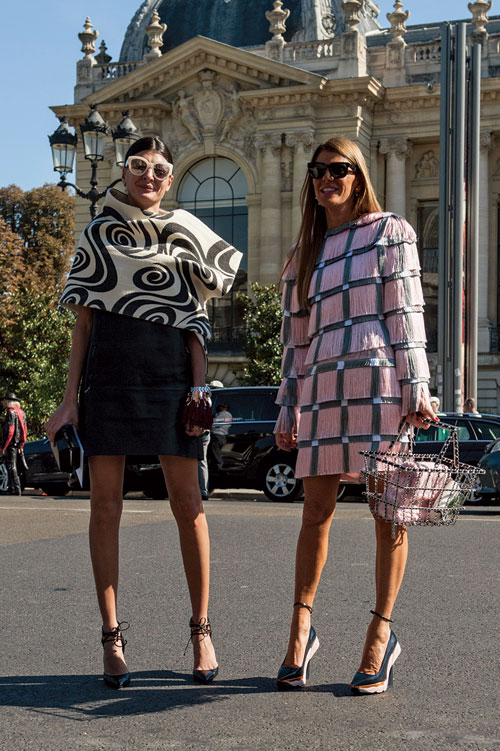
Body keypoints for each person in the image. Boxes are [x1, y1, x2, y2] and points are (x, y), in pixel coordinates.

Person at [46, 136, 242, 689]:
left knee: (189, 504)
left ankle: (202, 630)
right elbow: (84, 323)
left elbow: (196, 323)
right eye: (138, 166)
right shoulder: (97, 233)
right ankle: (111, 637)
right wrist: (68, 398)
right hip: (108, 382)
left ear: (170, 178)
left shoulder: (186, 232)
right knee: (104, 507)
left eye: (158, 169)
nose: (148, 176)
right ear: (124, 170)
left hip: (170, 382)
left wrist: (199, 389)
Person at [274, 137, 438, 694]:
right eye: (318, 171)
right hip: (322, 388)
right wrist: (287, 406)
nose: (327, 178)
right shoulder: (303, 253)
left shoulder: (391, 231)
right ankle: (301, 629)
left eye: (338, 169)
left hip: (379, 386)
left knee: (388, 512)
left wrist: (417, 389)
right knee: (314, 512)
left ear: (358, 176)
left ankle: (380, 634)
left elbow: (406, 313)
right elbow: (295, 342)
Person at [1, 392, 27, 496]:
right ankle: (14, 488)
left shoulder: (10, 413)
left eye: (4, 400)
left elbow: (10, 431)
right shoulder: (21, 412)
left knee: (11, 465)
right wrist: (22, 444)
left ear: (8, 402)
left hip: (11, 443)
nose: (2, 402)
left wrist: (3, 446)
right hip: (17, 442)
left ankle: (15, 488)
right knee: (13, 465)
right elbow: (24, 429)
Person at [208, 403, 232, 470]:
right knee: (215, 454)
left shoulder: (223, 414)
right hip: (221, 436)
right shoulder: (227, 415)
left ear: (225, 407)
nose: (219, 407)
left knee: (216, 455)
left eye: (221, 406)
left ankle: (219, 469)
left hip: (217, 435)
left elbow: (213, 423)